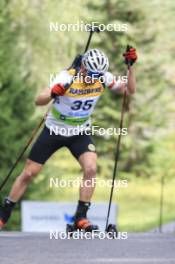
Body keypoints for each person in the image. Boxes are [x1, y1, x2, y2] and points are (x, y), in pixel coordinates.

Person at [0, 47, 137, 231]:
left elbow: (130, 90)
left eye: (97, 76)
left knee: (91, 168)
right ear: (83, 68)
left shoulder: (103, 77)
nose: (93, 80)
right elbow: (38, 100)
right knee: (29, 174)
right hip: (54, 130)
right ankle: (4, 214)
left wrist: (130, 68)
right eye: (91, 75)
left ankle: (80, 218)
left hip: (79, 132)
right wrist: (53, 93)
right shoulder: (66, 77)